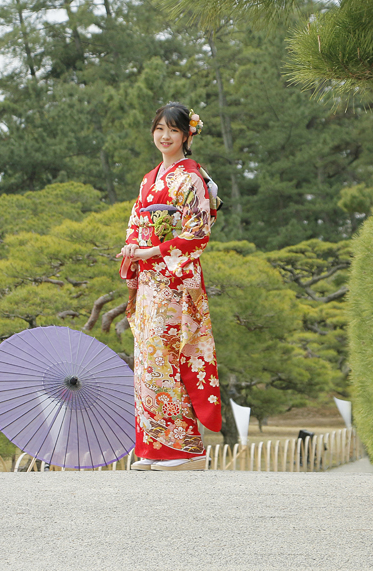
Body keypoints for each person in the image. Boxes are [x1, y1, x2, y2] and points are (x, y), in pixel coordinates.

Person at [117, 102, 222, 472]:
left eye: (174, 130)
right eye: (159, 128)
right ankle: (152, 447)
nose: (165, 136)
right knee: (146, 359)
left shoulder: (190, 178)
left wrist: (153, 249)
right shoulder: (149, 179)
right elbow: (135, 221)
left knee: (169, 356)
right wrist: (133, 247)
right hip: (149, 280)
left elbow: (198, 234)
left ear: (187, 135)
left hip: (175, 281)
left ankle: (185, 449)